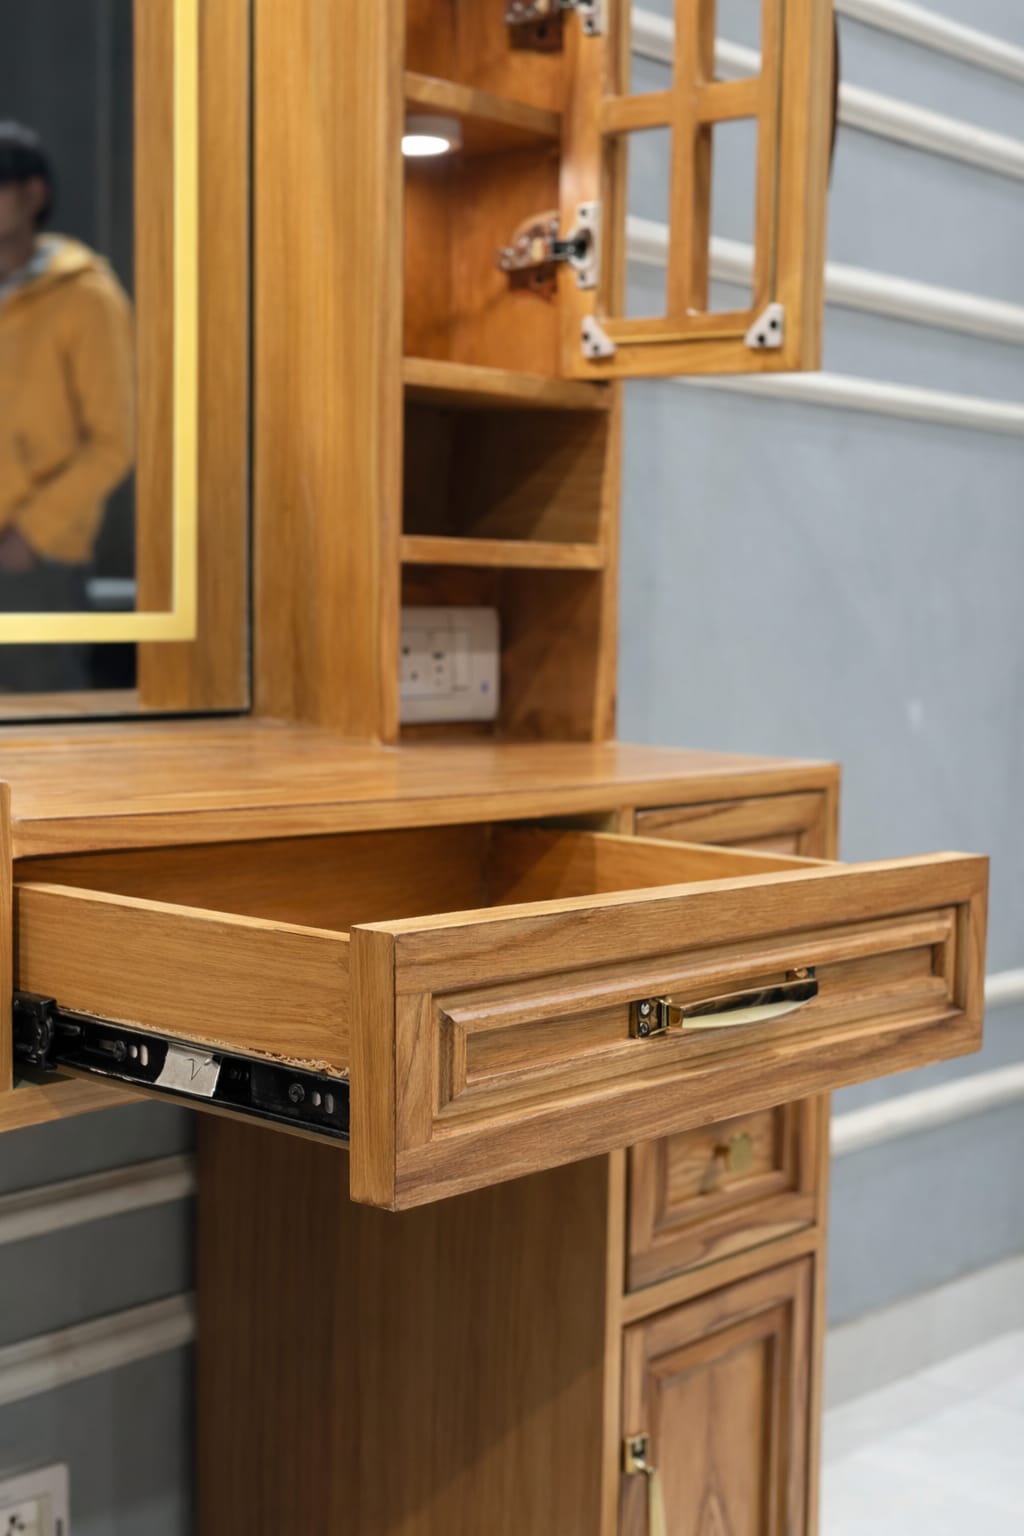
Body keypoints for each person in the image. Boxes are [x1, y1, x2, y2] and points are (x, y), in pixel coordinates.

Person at [0, 121, 134, 692]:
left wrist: (32, 535)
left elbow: (115, 441)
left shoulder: (85, 296)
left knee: (41, 734)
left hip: (35, 561)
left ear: (33, 195)